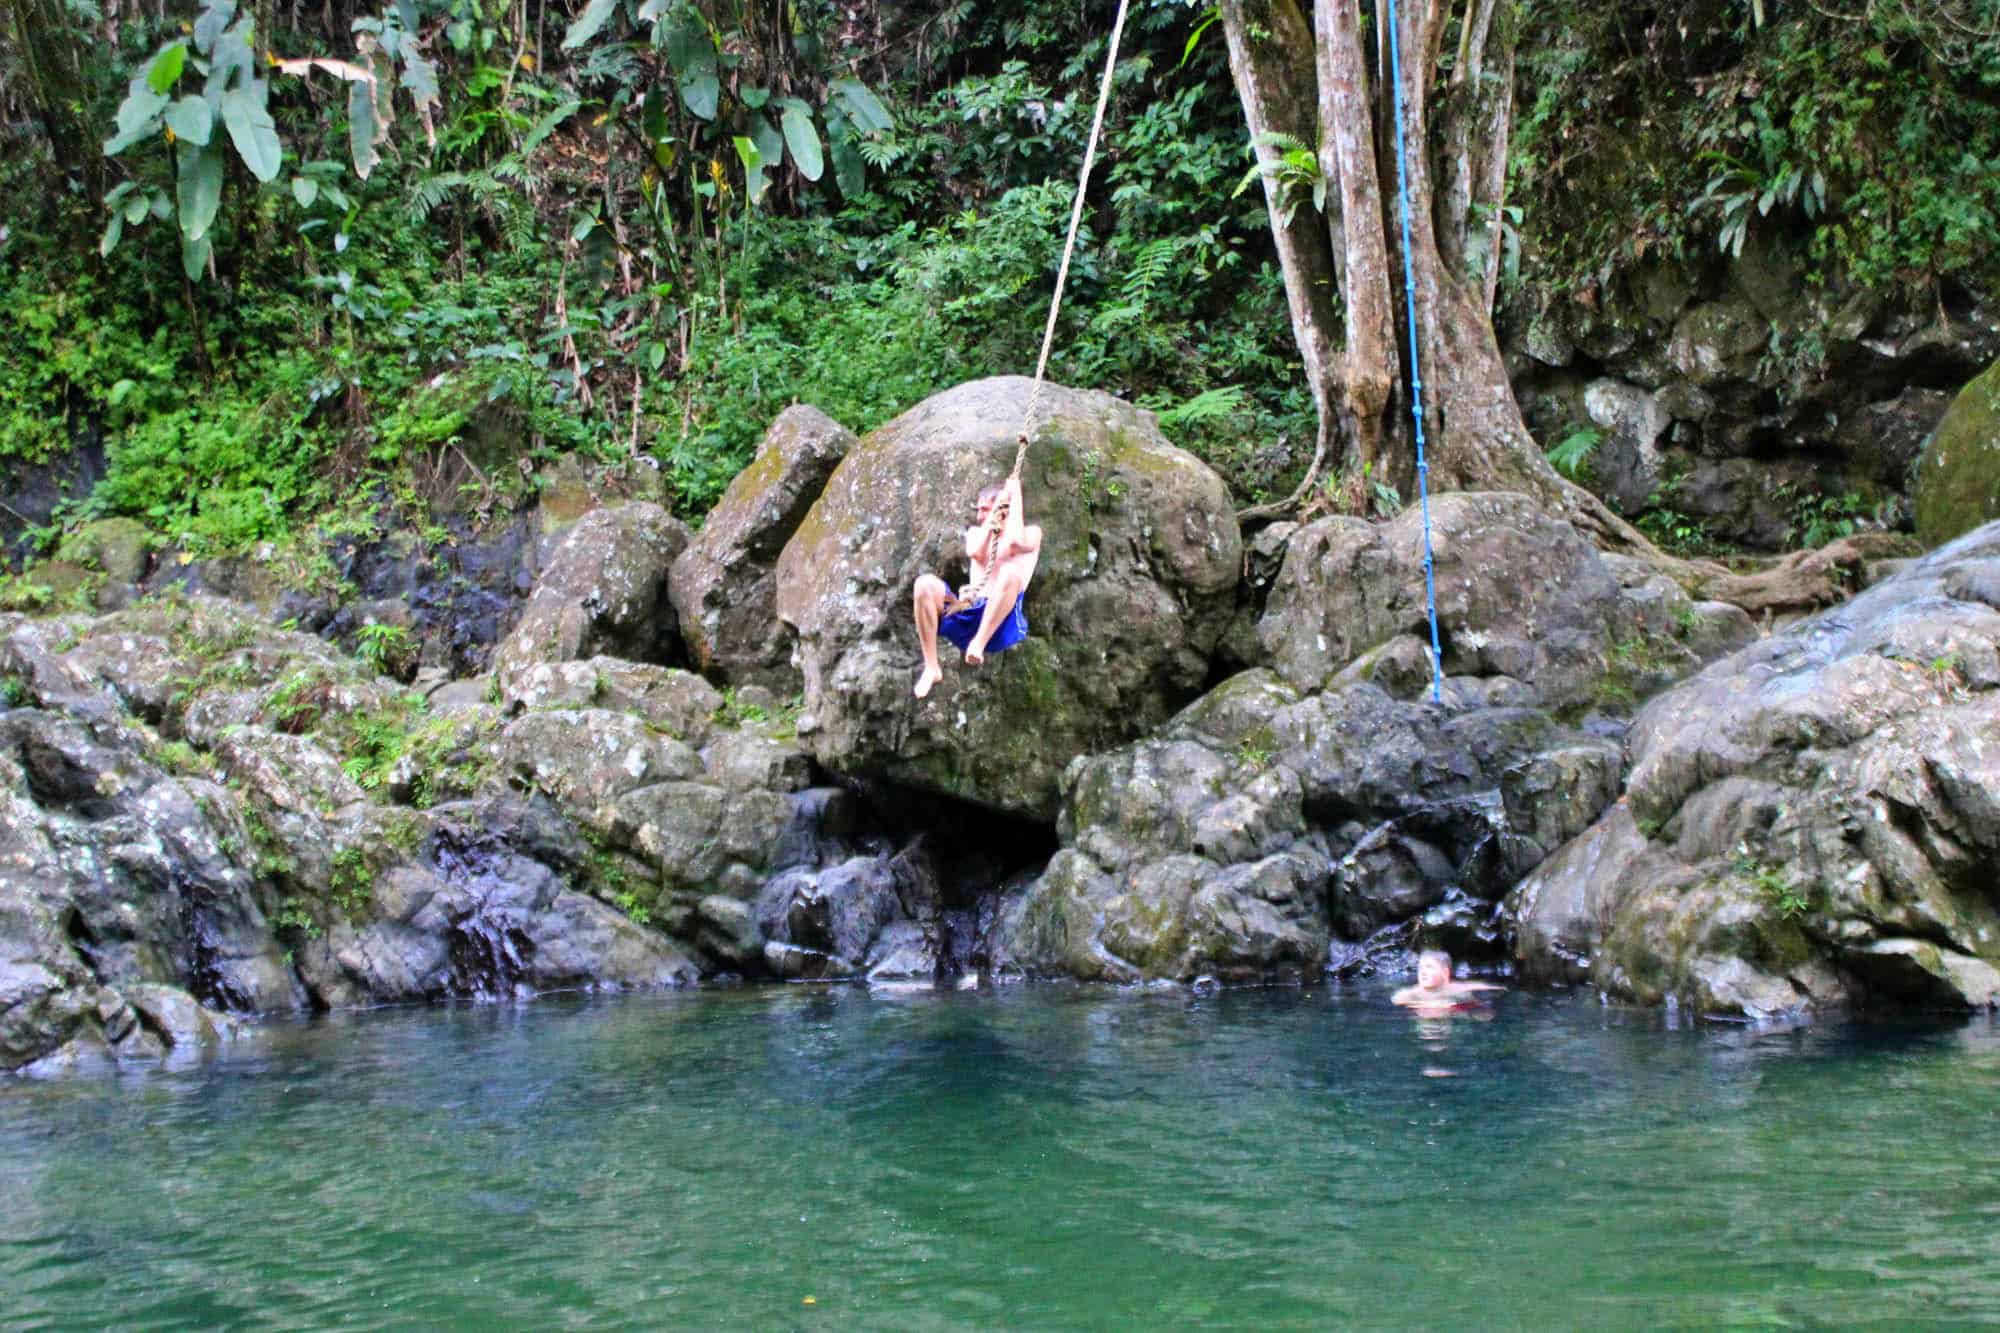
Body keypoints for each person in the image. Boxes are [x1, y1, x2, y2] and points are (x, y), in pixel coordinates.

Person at [912, 474, 1043, 698]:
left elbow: (1015, 543)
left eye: (987, 509)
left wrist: (1014, 495)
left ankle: (978, 644)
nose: (981, 516)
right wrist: (991, 526)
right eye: (980, 510)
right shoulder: (976, 534)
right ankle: (932, 667)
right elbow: (975, 552)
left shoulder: (1032, 533)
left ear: (1005, 509)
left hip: (1002, 622)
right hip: (971, 613)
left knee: (1010, 573)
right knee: (924, 585)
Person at [1392, 950, 1505, 1011]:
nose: (1423, 972)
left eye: (1429, 967)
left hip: (1457, 1017)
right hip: (1425, 1023)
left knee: (1485, 1013)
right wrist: (1433, 1005)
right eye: (1421, 968)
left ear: (1445, 973)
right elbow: (1396, 999)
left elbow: (1498, 990)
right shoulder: (1414, 992)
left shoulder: (1457, 990)